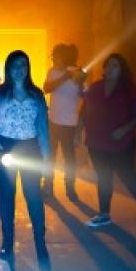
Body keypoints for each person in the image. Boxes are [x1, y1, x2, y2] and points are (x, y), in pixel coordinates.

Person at [0, 50, 51, 259]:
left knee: (34, 195)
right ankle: (7, 241)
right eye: (14, 65)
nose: (19, 69)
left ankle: (40, 242)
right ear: (8, 69)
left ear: (28, 67)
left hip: (31, 148)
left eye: (23, 65)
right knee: (7, 196)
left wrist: (47, 158)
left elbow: (42, 128)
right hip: (5, 147)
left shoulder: (37, 94)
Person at [76, 53, 136, 227]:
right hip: (97, 142)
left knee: (127, 176)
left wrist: (123, 130)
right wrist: (77, 133)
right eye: (108, 65)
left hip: (122, 143)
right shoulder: (96, 87)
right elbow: (84, 111)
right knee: (104, 177)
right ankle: (104, 214)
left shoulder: (129, 90)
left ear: (122, 70)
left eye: (115, 66)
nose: (110, 69)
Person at [42, 44, 86, 200]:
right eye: (53, 55)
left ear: (65, 56)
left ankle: (70, 188)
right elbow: (46, 88)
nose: (53, 58)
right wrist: (64, 77)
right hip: (53, 121)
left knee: (69, 158)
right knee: (50, 156)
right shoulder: (53, 72)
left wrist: (79, 82)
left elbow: (85, 96)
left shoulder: (77, 72)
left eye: (56, 55)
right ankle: (48, 186)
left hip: (70, 124)